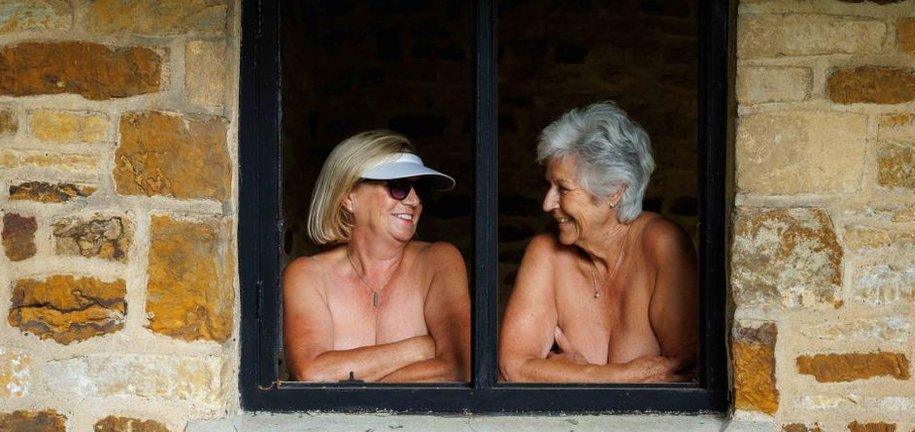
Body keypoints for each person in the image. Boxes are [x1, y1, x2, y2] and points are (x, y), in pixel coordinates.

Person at [500, 102, 697, 383]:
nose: (547, 203)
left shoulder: (662, 244)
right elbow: (514, 367)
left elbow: (686, 372)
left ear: (614, 192)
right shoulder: (545, 253)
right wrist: (614, 376)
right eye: (549, 186)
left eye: (563, 189)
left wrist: (571, 375)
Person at [284, 130, 470, 382]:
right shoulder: (308, 274)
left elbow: (462, 368)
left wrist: (353, 385)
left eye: (419, 189)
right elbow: (312, 373)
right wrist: (421, 348)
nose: (414, 201)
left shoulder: (438, 260)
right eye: (399, 186)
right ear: (349, 196)